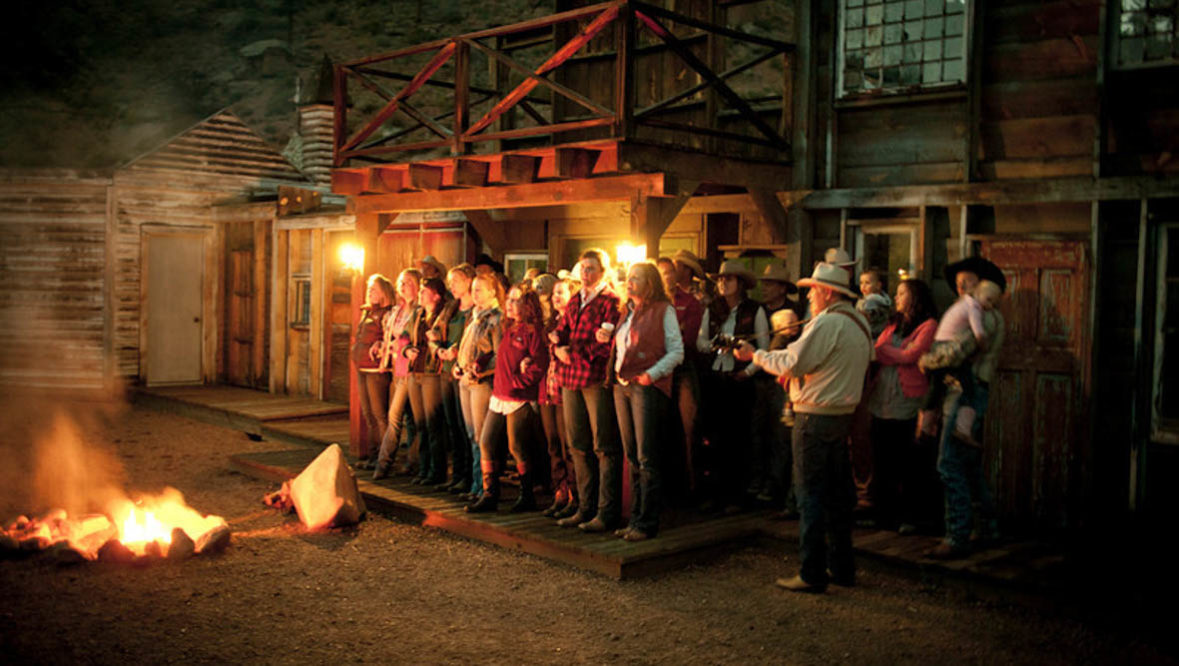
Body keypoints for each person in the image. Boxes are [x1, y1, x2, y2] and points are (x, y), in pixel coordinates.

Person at [734, 260, 873, 593]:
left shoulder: (828, 324)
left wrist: (755, 356)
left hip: (815, 415)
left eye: (813, 290)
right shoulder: (860, 322)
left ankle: (811, 571)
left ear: (826, 292)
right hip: (842, 416)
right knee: (838, 496)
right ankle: (842, 568)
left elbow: (794, 362)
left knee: (810, 493)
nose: (809, 296)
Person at [926, 257, 1007, 560]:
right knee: (969, 464)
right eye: (959, 282)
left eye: (968, 281)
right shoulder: (982, 314)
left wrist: (928, 360)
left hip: (965, 392)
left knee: (949, 462)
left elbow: (958, 352)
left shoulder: (982, 317)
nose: (961, 287)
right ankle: (987, 526)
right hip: (971, 392)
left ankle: (957, 535)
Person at [550, 248, 622, 532]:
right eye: (582, 268)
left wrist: (572, 354)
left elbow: (605, 344)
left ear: (602, 271)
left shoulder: (610, 301)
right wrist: (557, 342)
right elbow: (563, 329)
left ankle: (606, 511)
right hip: (569, 378)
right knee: (577, 445)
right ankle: (584, 507)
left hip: (593, 379)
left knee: (603, 445)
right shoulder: (576, 300)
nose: (585, 273)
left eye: (591, 268)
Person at [611, 261, 684, 541]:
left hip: (646, 387)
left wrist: (651, 374)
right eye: (628, 278)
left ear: (650, 282)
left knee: (646, 456)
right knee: (632, 456)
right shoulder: (626, 312)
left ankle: (647, 521)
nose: (629, 282)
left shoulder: (664, 311)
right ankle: (634, 518)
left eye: (636, 278)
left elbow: (676, 351)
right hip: (623, 386)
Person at [466, 285, 548, 513]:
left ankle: (527, 494)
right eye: (509, 300)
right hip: (499, 394)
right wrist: (482, 362)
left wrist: (518, 383)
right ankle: (490, 493)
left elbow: (538, 365)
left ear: (527, 305)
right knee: (486, 441)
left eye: (515, 300)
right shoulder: (508, 327)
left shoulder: (532, 332)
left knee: (516, 446)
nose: (509, 305)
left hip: (518, 398)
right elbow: (499, 354)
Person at [696, 261, 769, 512]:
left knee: (738, 439)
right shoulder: (712, 309)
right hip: (716, 378)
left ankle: (735, 496)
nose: (722, 283)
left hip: (740, 381)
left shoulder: (755, 310)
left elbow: (763, 348)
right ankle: (714, 493)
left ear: (740, 284)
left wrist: (747, 372)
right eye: (720, 279)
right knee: (713, 437)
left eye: (728, 279)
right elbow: (700, 343)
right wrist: (717, 344)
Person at [867, 278, 938, 533]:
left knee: (908, 460)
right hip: (882, 397)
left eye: (901, 293)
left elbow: (913, 355)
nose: (896, 298)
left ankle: (911, 516)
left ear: (915, 297)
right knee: (882, 458)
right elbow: (877, 348)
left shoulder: (928, 325)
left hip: (907, 399)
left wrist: (890, 354)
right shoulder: (894, 323)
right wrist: (894, 354)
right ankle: (883, 514)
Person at [749, 262, 799, 504]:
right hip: (759, 379)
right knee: (759, 433)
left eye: (770, 284)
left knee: (781, 434)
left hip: (782, 382)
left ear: (782, 288)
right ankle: (759, 479)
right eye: (764, 284)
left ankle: (776, 485)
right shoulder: (757, 310)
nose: (765, 288)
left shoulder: (795, 313)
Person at [452, 273, 505, 500]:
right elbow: (466, 347)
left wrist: (482, 368)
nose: (475, 293)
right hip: (466, 380)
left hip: (482, 382)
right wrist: (458, 365)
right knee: (472, 433)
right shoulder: (475, 317)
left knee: (482, 436)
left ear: (493, 291)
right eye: (473, 289)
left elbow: (499, 353)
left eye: (480, 289)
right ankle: (476, 484)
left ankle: (484, 487)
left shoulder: (496, 319)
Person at [657, 256, 704, 503]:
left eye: (668, 272)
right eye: (660, 273)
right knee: (660, 429)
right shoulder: (650, 304)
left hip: (682, 367)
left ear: (676, 276)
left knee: (689, 425)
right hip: (657, 370)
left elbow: (688, 339)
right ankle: (667, 487)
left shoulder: (689, 303)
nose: (665, 277)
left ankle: (693, 487)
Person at [373, 268, 423, 480]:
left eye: (408, 282)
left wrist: (400, 345)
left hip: (411, 370)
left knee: (395, 418)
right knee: (409, 417)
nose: (403, 286)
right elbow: (390, 337)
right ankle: (413, 463)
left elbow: (410, 339)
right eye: (401, 282)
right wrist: (382, 346)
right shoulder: (397, 310)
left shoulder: (419, 312)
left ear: (418, 286)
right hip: (396, 367)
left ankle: (383, 465)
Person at [537, 274, 580, 519]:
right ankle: (560, 492)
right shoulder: (551, 323)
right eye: (554, 293)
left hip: (565, 390)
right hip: (549, 389)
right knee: (553, 444)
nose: (556, 298)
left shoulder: (573, 323)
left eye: (561, 293)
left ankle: (575, 495)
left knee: (569, 445)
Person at [404, 277, 453, 486]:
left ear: (436, 295)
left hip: (433, 371)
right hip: (416, 369)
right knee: (420, 422)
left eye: (425, 291)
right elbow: (406, 335)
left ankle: (437, 470)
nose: (421, 294)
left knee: (434, 424)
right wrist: (407, 350)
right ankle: (423, 468)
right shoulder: (417, 314)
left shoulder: (443, 315)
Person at [434, 263, 476, 494]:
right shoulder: (450, 308)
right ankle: (457, 473)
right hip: (446, 369)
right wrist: (438, 349)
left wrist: (458, 350)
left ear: (469, 281)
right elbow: (433, 332)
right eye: (451, 282)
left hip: (463, 371)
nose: (452, 285)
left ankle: (470, 476)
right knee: (452, 425)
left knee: (465, 426)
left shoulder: (474, 311)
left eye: (456, 281)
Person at [353, 274, 395, 471]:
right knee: (368, 414)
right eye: (369, 289)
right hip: (362, 366)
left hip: (376, 369)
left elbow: (389, 337)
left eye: (374, 290)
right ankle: (372, 455)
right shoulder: (368, 312)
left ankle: (384, 458)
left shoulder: (387, 314)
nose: (370, 293)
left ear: (384, 293)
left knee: (380, 415)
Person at [857, 268, 893, 338]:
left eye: (867, 283)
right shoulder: (884, 299)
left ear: (878, 285)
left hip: (870, 335)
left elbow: (866, 318)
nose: (863, 286)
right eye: (861, 283)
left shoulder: (871, 301)